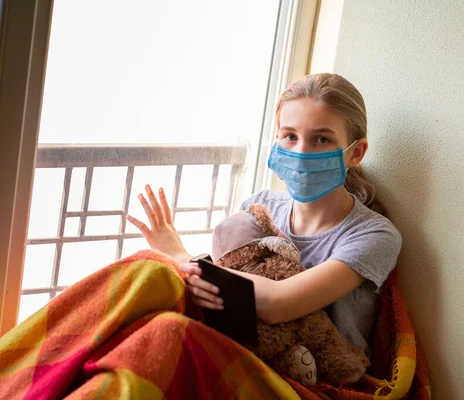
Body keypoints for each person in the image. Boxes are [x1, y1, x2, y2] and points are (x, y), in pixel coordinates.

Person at [126, 73, 402, 355]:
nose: (302, 151)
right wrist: (196, 278)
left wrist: (181, 256)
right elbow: (228, 279)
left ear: (356, 152)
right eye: (290, 136)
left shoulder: (375, 235)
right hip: (245, 347)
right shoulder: (259, 205)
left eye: (321, 139)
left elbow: (276, 304)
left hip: (318, 379)